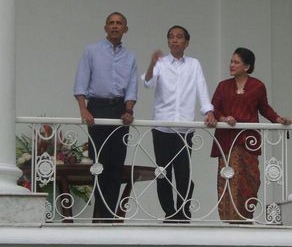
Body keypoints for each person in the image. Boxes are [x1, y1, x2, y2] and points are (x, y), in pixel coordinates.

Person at [142, 25, 216, 222]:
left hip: (184, 128)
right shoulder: (160, 63)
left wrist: (208, 111)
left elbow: (201, 88)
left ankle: (183, 212)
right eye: (171, 37)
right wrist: (151, 63)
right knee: (163, 173)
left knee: (183, 173)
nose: (174, 40)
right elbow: (147, 83)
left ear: (187, 42)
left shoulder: (194, 64)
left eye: (179, 37)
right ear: (168, 41)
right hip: (162, 127)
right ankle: (169, 213)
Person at [211, 47, 291, 222]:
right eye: (231, 61)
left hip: (248, 141)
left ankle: (246, 217)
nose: (231, 65)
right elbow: (213, 109)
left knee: (251, 180)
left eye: (236, 62)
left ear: (246, 66)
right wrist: (224, 118)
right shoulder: (223, 86)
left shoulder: (257, 86)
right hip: (228, 141)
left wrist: (278, 119)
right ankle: (230, 220)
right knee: (229, 180)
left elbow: (264, 108)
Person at [73, 12, 138, 222]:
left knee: (116, 164)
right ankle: (100, 215)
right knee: (99, 163)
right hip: (97, 108)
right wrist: (84, 109)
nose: (115, 26)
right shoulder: (91, 51)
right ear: (105, 27)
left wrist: (128, 110)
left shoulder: (129, 57)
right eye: (111, 23)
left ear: (125, 29)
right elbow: (81, 81)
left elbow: (132, 87)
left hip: (119, 110)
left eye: (119, 23)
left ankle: (108, 216)